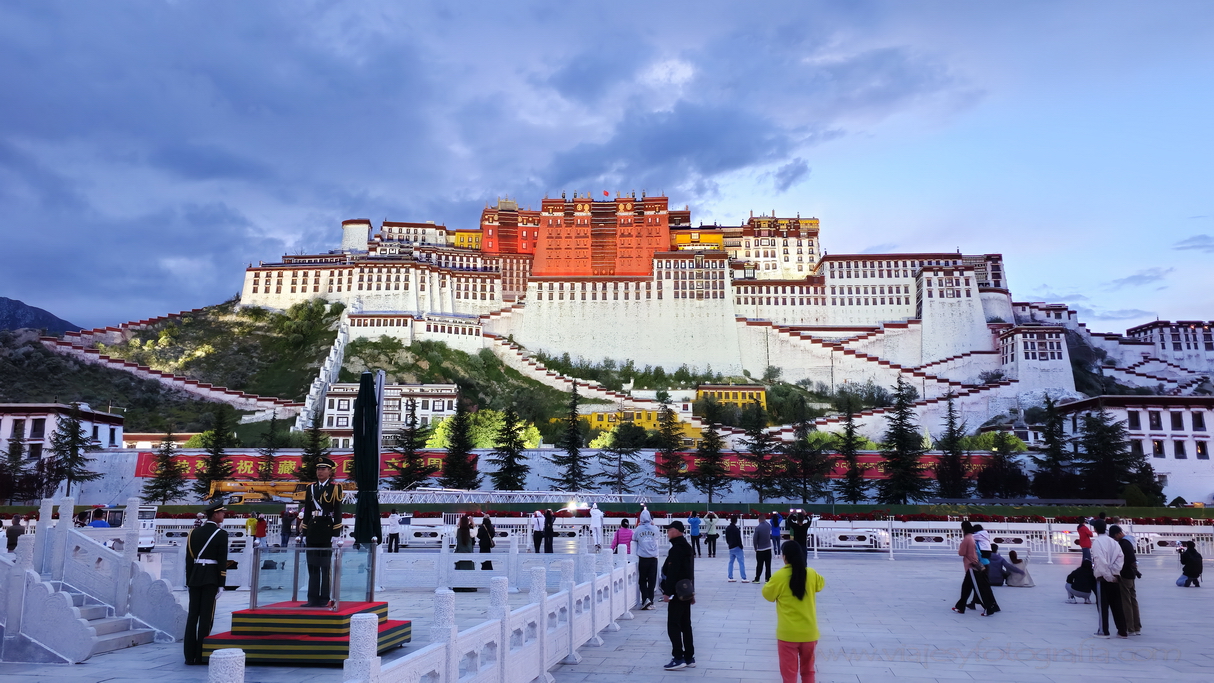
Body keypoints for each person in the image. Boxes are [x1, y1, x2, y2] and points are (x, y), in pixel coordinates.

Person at [763, 541, 826, 683]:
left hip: (788, 635)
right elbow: (821, 584)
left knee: (789, 676)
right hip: (809, 634)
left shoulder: (779, 576)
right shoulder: (810, 573)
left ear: (784, 557)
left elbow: (767, 595)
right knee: (808, 671)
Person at [184, 501, 228, 665]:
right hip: (211, 577)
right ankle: (201, 653)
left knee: (192, 616)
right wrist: (221, 583)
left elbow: (189, 560)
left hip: (195, 577)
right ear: (215, 515)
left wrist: (189, 580)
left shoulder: (193, 533)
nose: (223, 515)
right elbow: (222, 561)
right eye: (222, 512)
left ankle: (189, 655)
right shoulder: (221, 534)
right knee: (206, 616)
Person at [299, 457, 343, 608]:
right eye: (318, 469)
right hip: (313, 528)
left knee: (325, 566)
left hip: (326, 528)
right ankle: (312, 598)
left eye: (323, 469)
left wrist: (336, 534)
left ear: (330, 471)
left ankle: (324, 598)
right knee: (312, 565)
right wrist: (305, 532)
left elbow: (338, 511)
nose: (320, 472)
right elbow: (307, 511)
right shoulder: (311, 488)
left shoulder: (335, 488)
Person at [660, 520, 695, 671]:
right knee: (685, 624)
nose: (668, 532)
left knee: (673, 624)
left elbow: (673, 573)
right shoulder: (687, 547)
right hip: (685, 591)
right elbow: (690, 572)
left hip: (676, 593)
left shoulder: (677, 549)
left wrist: (667, 593)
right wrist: (691, 592)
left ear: (677, 531)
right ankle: (689, 657)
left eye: (670, 530)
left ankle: (678, 657)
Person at [1090, 519, 1126, 638]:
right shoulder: (1113, 542)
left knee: (1102, 606)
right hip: (1115, 577)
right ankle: (1122, 630)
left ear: (1095, 529)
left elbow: (1100, 561)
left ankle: (1103, 630)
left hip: (1103, 578)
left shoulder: (1097, 543)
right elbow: (1120, 558)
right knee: (1117, 605)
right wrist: (1114, 572)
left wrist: (1107, 575)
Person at [953, 520, 997, 615]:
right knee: (966, 587)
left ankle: (988, 608)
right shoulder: (974, 538)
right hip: (974, 564)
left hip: (972, 565)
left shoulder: (967, 538)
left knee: (979, 588)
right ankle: (960, 606)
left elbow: (961, 552)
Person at [1111, 525, 1141, 635]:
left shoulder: (1123, 544)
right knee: (1133, 600)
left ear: (1119, 533)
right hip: (1131, 574)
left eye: (1115, 536)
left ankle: (1130, 627)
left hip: (1125, 575)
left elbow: (1124, 561)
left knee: (1126, 602)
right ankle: (1137, 627)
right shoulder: (1129, 542)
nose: (1115, 539)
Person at [634, 509, 660, 610]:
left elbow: (634, 538)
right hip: (653, 558)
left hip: (643, 557)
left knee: (642, 580)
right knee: (652, 580)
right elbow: (657, 537)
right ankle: (651, 601)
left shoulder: (638, 529)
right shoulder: (655, 528)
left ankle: (645, 599)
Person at [725, 514, 747, 582]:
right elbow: (738, 539)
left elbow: (727, 538)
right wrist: (741, 546)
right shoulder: (736, 529)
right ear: (736, 521)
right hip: (737, 547)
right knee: (741, 562)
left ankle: (730, 577)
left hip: (731, 547)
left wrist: (729, 544)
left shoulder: (727, 528)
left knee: (731, 562)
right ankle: (743, 578)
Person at [754, 514, 774, 583]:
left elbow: (755, 539)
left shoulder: (758, 528)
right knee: (768, 565)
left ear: (759, 520)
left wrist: (755, 547)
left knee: (759, 565)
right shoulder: (768, 526)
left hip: (760, 549)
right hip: (768, 548)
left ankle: (757, 579)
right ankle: (768, 578)